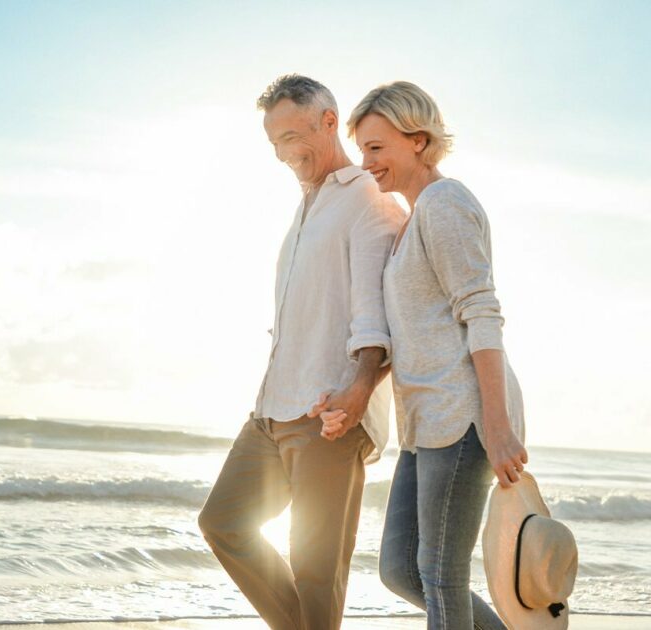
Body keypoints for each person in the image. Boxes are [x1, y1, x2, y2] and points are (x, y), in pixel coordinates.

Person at [197, 74, 405, 630]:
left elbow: (376, 315)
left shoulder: (368, 197)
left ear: (329, 122)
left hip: (327, 413)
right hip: (272, 408)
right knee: (222, 522)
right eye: (275, 143)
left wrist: (358, 392)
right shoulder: (306, 206)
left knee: (317, 574)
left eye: (294, 136)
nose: (284, 153)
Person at [332, 81, 528, 629]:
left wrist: (495, 420)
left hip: (463, 415)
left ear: (418, 140)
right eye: (362, 148)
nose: (366, 162)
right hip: (423, 423)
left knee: (441, 575)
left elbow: (481, 311)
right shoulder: (412, 220)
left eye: (377, 147)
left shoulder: (445, 203)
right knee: (402, 569)